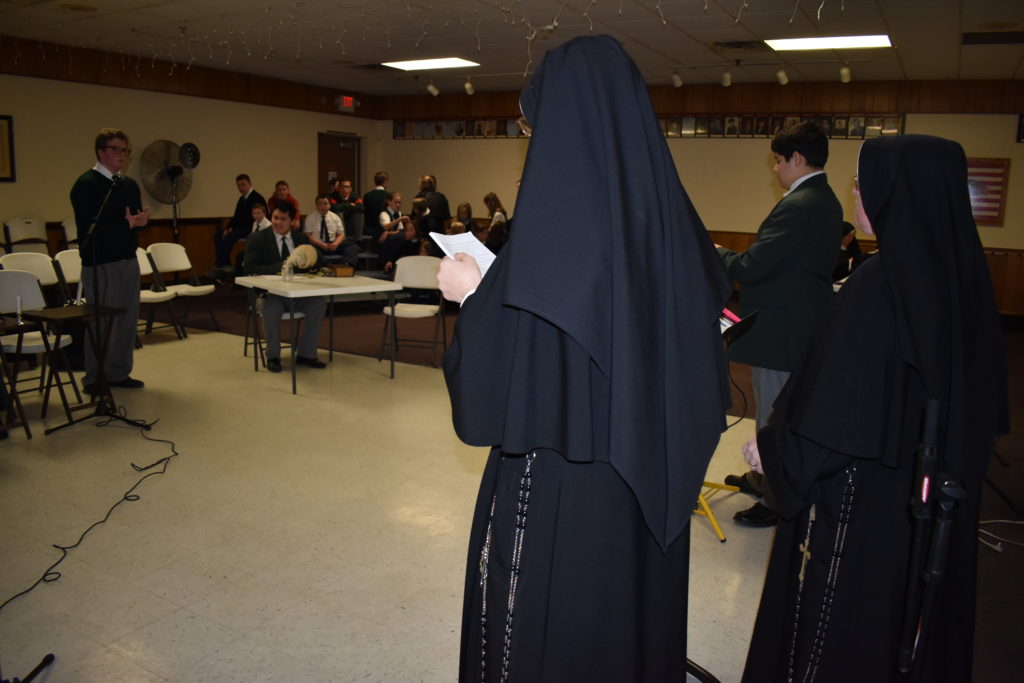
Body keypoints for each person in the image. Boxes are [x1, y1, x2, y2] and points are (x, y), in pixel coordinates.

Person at [437, 35, 731, 682]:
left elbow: (497, 385)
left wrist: (473, 296)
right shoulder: (671, 219)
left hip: (562, 478)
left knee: (549, 624)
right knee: (625, 619)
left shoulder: (551, 230)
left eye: (533, 127)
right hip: (647, 470)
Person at [741, 135, 1008, 682]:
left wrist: (773, 449)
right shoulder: (961, 273)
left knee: (838, 626)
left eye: (864, 183)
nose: (856, 194)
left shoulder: (879, 283)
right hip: (919, 496)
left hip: (860, 498)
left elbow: (836, 409)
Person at [716, 121, 843, 527]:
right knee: (771, 408)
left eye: (778, 160)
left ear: (797, 158)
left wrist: (716, 252)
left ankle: (774, 499)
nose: (775, 168)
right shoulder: (823, 199)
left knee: (774, 414)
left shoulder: (800, 204)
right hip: (794, 324)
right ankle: (762, 476)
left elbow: (754, 266)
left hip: (783, 331)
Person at [70, 128, 150, 393]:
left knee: (127, 320)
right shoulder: (86, 184)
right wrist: (125, 223)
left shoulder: (128, 184)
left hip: (128, 259)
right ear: (100, 152)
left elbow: (133, 220)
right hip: (101, 263)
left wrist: (140, 222)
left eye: (125, 150)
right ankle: (96, 378)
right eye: (116, 149)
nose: (122, 155)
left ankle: (119, 372)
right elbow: (90, 226)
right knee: (103, 323)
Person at [244, 202, 327, 373]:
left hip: (299, 293)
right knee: (271, 308)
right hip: (270, 294)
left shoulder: (301, 239)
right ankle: (273, 356)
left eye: (283, 219)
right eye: (275, 218)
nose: (278, 222)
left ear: (292, 221)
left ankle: (306, 354)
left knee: (318, 303)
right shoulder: (257, 239)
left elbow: (318, 262)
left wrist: (312, 258)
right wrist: (283, 265)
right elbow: (250, 269)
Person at [214, 173, 266, 270]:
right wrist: (228, 228)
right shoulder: (242, 199)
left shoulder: (257, 197)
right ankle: (224, 263)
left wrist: (233, 229)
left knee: (230, 236)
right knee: (218, 235)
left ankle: (223, 266)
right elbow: (236, 216)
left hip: (251, 228)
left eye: (243, 184)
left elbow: (256, 218)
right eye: (238, 185)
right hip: (241, 228)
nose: (241, 187)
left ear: (250, 184)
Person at [304, 193, 359, 266]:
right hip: (318, 245)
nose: (323, 206)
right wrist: (321, 245)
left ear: (329, 205)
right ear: (316, 206)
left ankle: (347, 265)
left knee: (352, 246)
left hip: (333, 244)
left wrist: (336, 243)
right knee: (310, 248)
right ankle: (326, 265)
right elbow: (308, 236)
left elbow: (341, 234)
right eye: (320, 204)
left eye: (325, 204)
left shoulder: (335, 217)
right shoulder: (310, 218)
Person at [362, 171, 390, 244]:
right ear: (385, 181)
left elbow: (365, 213)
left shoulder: (367, 196)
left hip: (369, 228)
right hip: (383, 229)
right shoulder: (388, 196)